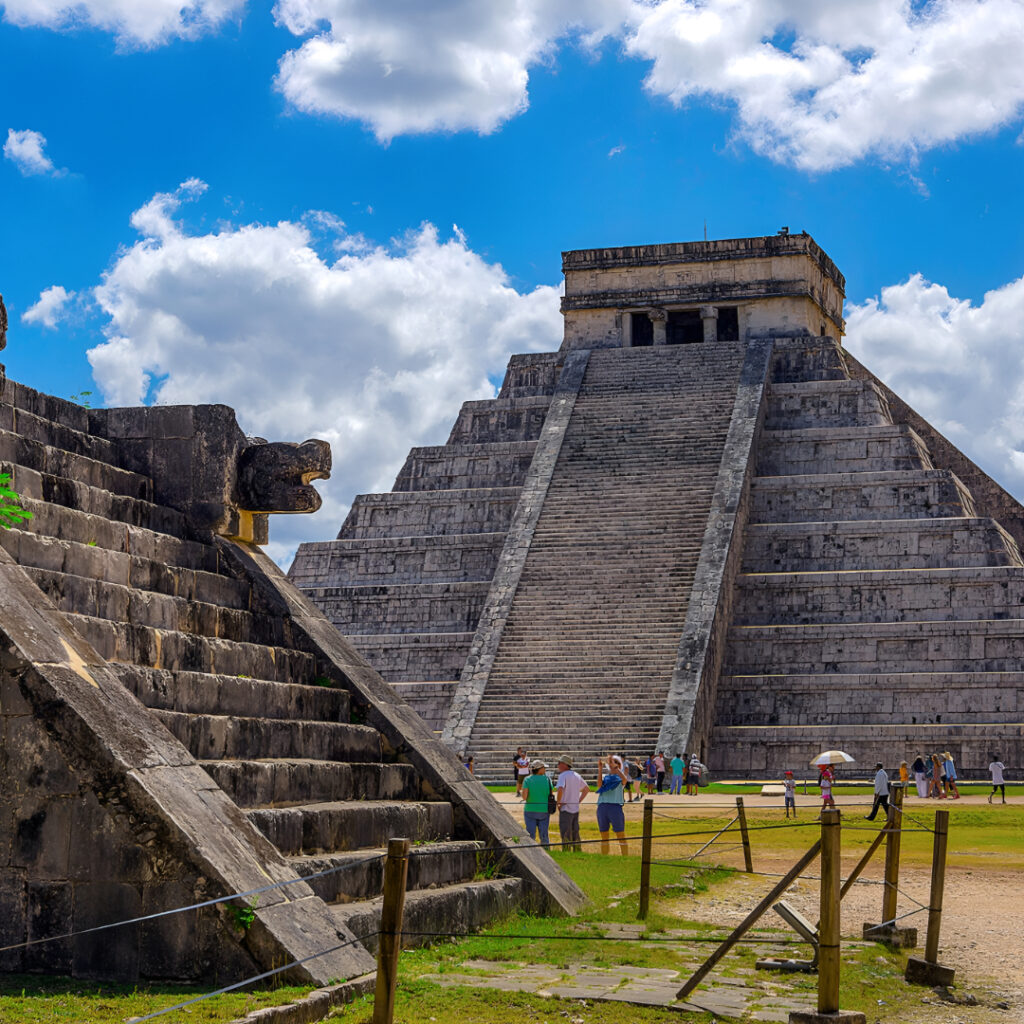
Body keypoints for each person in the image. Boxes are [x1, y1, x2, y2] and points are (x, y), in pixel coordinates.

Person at [596, 755, 629, 855]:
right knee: (604, 835)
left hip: (615, 807)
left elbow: (624, 780)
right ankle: (605, 856)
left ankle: (625, 857)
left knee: (620, 834)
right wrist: (600, 769)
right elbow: (599, 785)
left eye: (615, 762)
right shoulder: (606, 777)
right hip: (602, 806)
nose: (612, 764)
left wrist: (616, 768)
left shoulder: (620, 777)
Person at [555, 754, 589, 851]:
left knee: (565, 831)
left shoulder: (563, 775)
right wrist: (578, 801)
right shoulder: (577, 775)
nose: (558, 765)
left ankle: (566, 850)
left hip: (566, 808)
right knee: (575, 831)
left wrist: (559, 802)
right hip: (575, 808)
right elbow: (586, 789)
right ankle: (577, 849)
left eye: (559, 763)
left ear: (564, 764)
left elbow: (560, 789)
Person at [520, 759, 553, 844]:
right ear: (540, 769)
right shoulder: (547, 780)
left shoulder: (527, 780)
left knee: (531, 835)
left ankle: (531, 853)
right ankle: (546, 850)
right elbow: (551, 794)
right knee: (544, 835)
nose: (545, 770)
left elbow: (524, 797)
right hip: (544, 810)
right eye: (544, 768)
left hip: (530, 810)